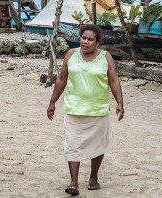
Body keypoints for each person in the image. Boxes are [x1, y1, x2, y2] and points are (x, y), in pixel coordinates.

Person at [47, 24, 124, 196]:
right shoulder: (70, 54)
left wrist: (120, 102)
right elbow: (61, 80)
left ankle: (93, 178)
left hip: (98, 110)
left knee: (98, 145)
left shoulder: (106, 57)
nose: (85, 42)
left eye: (90, 39)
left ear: (97, 42)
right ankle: (73, 183)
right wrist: (52, 102)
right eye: (83, 38)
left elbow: (113, 81)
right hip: (74, 108)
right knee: (73, 144)